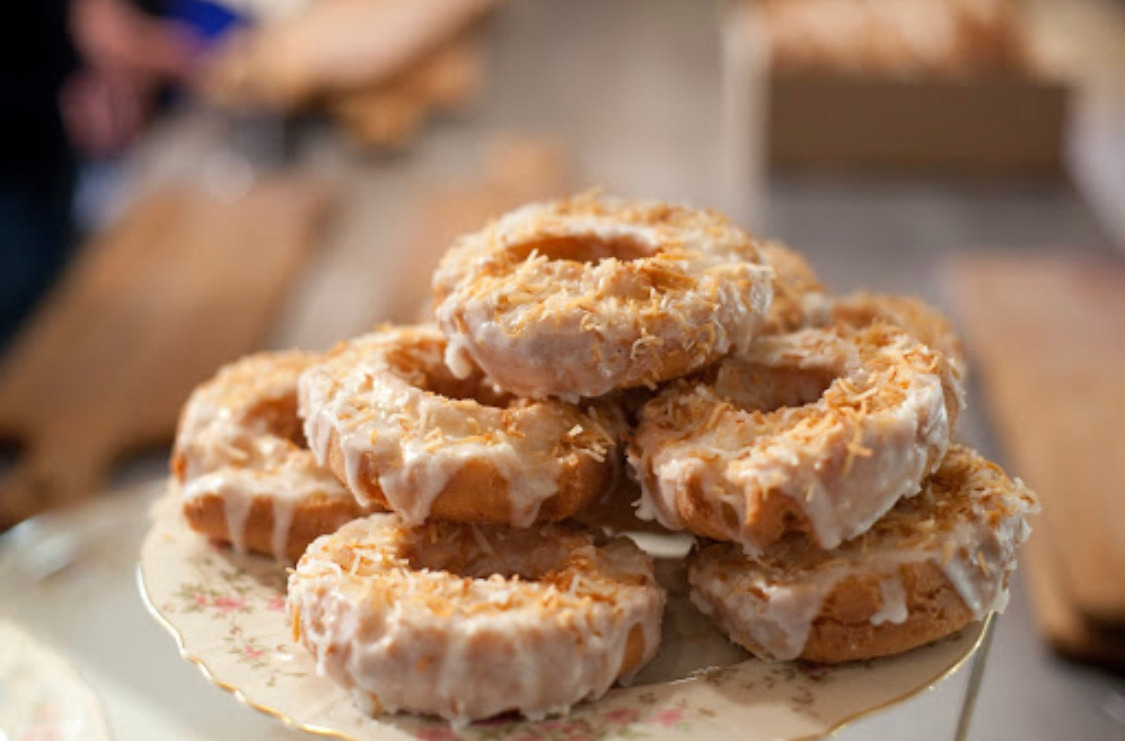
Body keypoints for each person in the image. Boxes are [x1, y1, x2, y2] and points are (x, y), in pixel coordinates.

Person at [0, 0, 195, 350]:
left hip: (48, 150)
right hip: (18, 159)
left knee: (54, 305)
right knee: (24, 321)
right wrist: (50, 103)